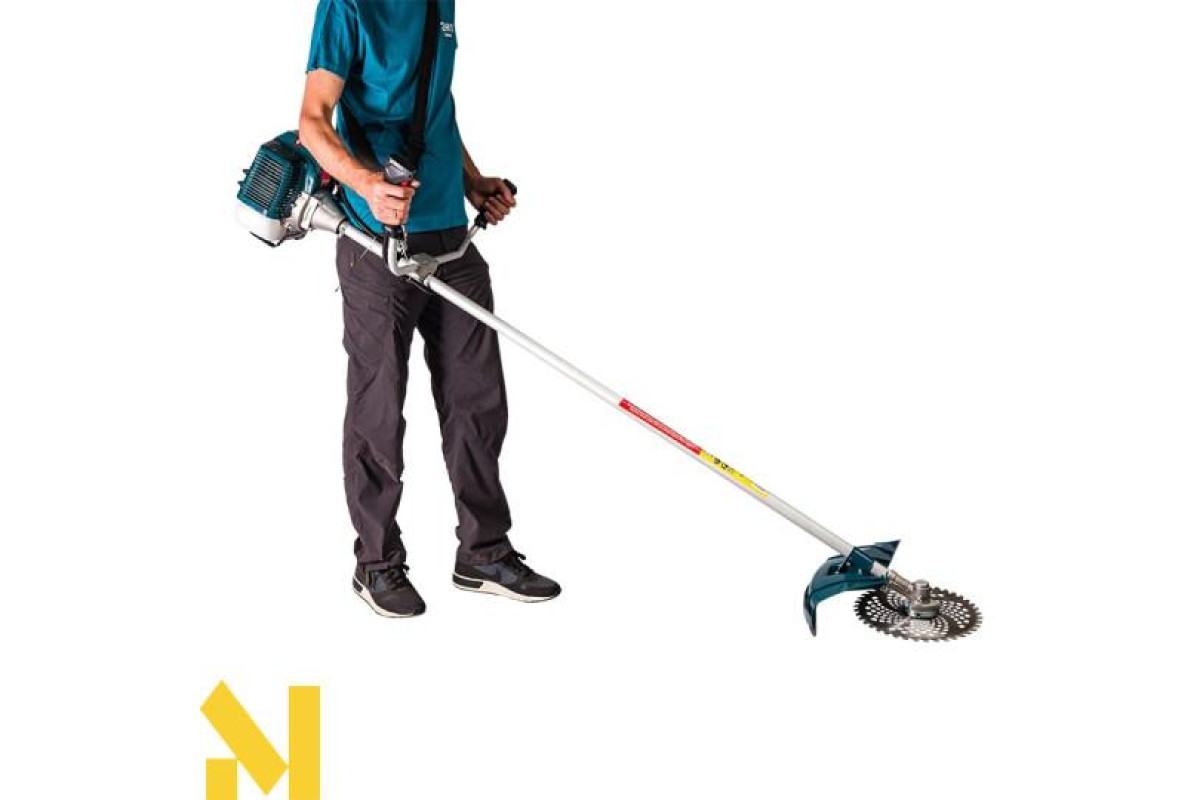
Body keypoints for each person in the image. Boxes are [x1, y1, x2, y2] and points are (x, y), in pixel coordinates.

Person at [298, 0, 560, 618]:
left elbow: (435, 105)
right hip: (377, 243)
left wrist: (472, 181)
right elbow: (312, 122)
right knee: (379, 408)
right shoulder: (347, 7)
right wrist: (366, 185)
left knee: (478, 401)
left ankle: (484, 553)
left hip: (451, 238)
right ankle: (376, 562)